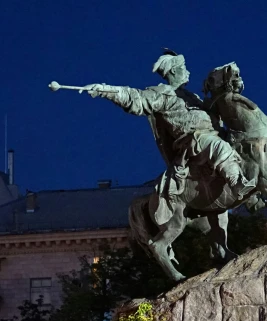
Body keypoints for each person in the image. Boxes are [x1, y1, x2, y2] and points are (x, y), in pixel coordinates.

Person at [84, 51, 254, 225]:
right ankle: (237, 183)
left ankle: (256, 194)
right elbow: (136, 99)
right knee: (220, 147)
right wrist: (105, 90)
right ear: (173, 72)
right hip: (193, 141)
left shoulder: (192, 97)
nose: (188, 72)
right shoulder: (163, 93)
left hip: (214, 135)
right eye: (183, 68)